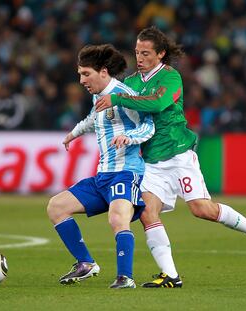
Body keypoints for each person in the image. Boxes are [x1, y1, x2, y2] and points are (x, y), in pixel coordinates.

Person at [95, 26, 246, 288]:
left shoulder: (171, 78)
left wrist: (119, 99)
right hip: (150, 161)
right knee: (147, 212)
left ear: (160, 54)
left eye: (146, 53)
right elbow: (122, 107)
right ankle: (170, 275)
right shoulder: (132, 83)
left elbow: (157, 104)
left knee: (202, 209)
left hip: (178, 154)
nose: (140, 58)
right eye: (137, 52)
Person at [46, 44, 154, 289]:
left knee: (117, 219)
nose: (81, 80)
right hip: (102, 176)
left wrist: (130, 137)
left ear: (103, 72)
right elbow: (94, 119)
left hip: (126, 174)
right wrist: (73, 134)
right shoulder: (99, 96)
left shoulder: (125, 96)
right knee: (56, 207)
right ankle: (85, 263)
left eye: (86, 74)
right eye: (80, 74)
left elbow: (148, 126)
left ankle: (125, 277)